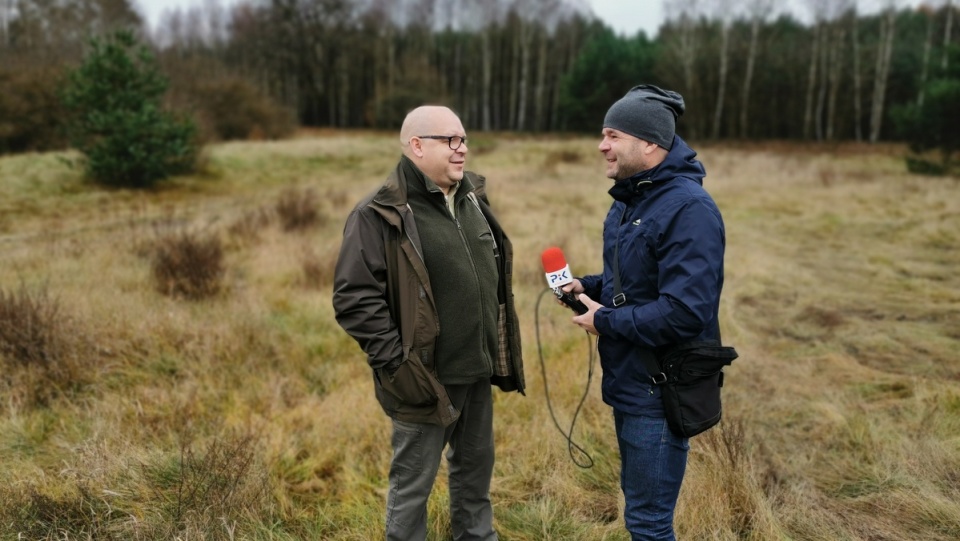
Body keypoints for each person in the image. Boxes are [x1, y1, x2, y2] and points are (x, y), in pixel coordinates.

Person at [332, 105, 524, 541]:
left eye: (464, 140)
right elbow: (353, 297)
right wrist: (400, 366)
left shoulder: (471, 198)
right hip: (423, 380)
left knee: (475, 485)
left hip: (475, 373)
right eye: (450, 141)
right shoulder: (380, 213)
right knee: (411, 494)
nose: (462, 150)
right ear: (416, 146)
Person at [560, 85, 728, 540]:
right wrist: (587, 286)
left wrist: (604, 321)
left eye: (612, 135)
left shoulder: (688, 209)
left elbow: (685, 311)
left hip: (660, 390)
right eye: (603, 134)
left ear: (650, 143)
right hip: (630, 383)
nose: (602, 146)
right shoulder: (631, 201)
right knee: (641, 514)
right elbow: (634, 281)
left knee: (649, 523)